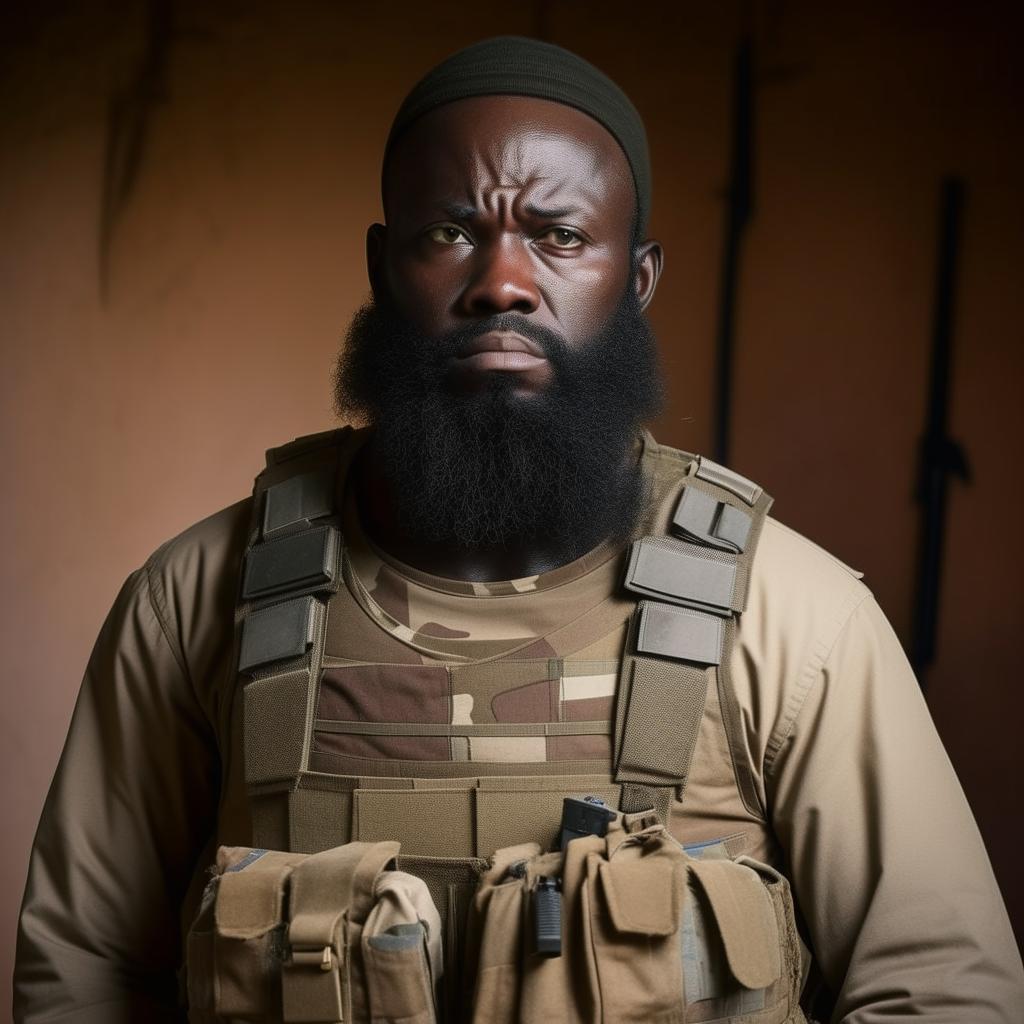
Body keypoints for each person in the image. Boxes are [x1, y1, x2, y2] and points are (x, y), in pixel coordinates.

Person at [14, 35, 1024, 1024]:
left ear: (637, 278)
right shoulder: (201, 597)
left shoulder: (792, 616)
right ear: (381, 265)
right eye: (449, 232)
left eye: (560, 234)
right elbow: (82, 973)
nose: (501, 281)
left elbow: (940, 989)